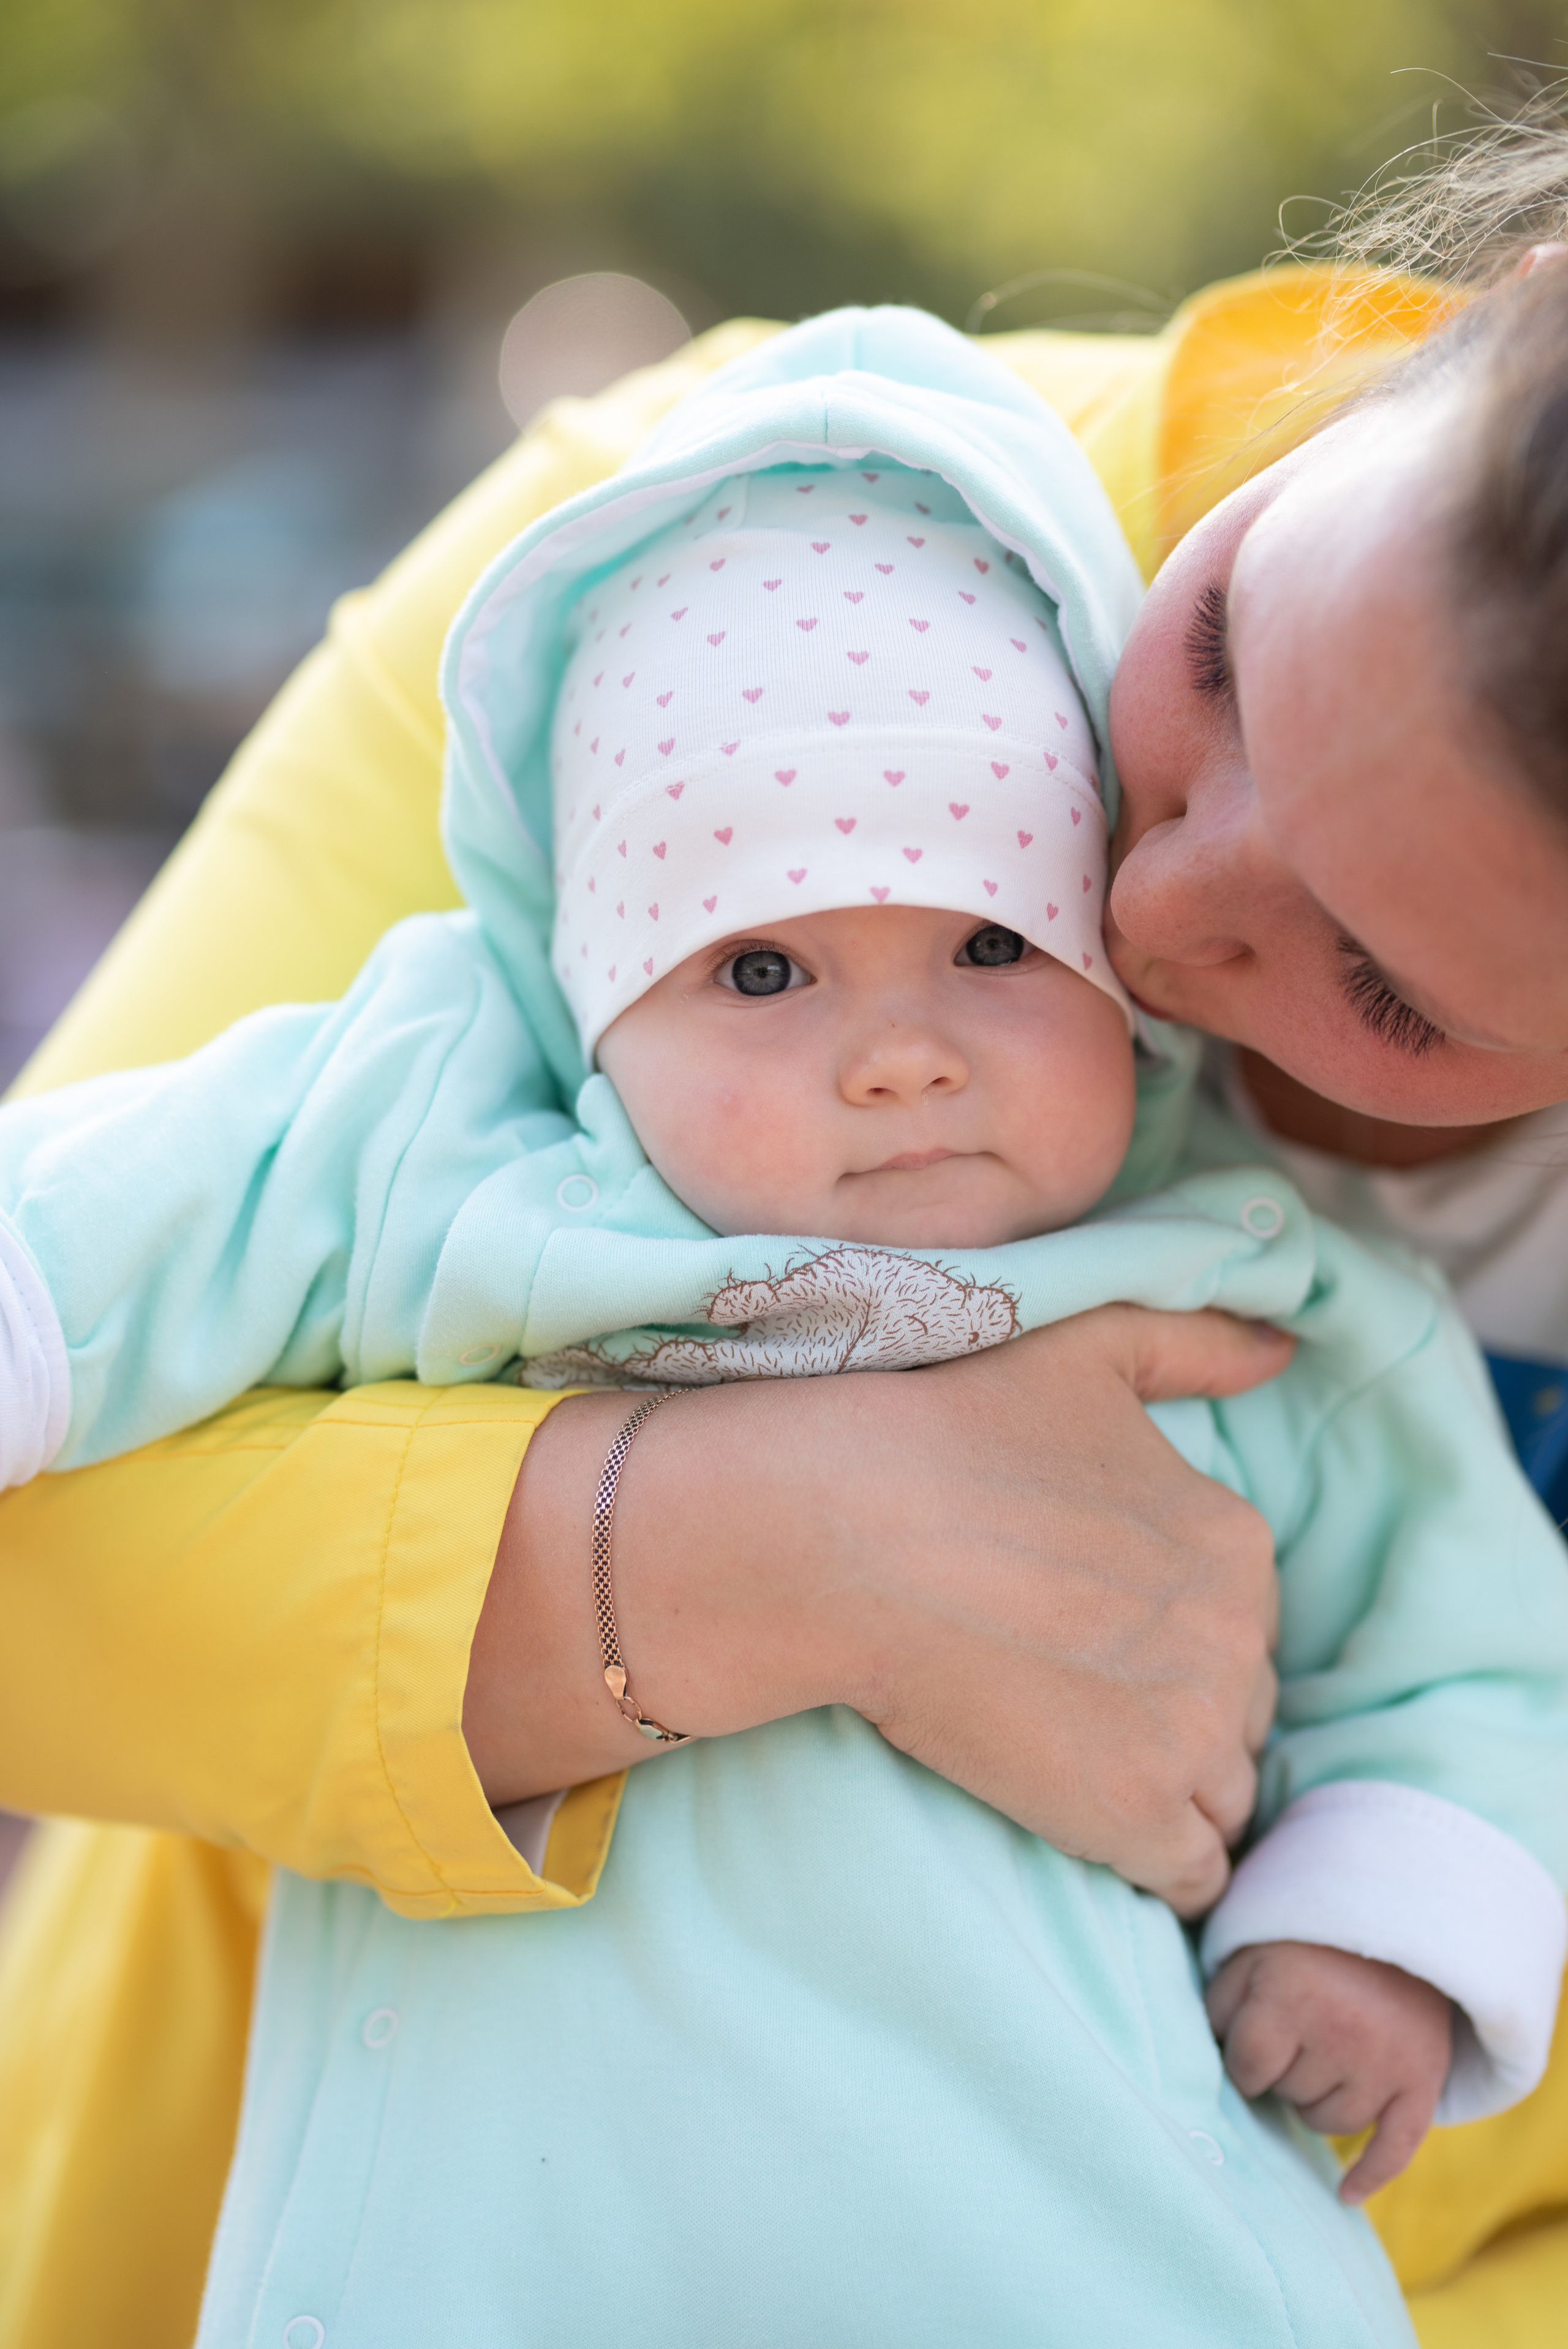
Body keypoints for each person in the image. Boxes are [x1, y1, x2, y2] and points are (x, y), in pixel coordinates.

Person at [4, 127, 1568, 2348]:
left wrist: (1391, 1928)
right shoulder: (676, 558)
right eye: (1216, 651)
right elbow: (88, 1325)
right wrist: (750, 1551)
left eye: (1390, 981)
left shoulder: (1306, 1323)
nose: (1137, 908)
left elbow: (1476, 1673)